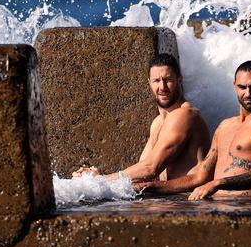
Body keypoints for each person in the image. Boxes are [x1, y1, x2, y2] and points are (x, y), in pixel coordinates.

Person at [136, 60, 251, 199]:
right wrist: (154, 187)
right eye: (242, 87)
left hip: (248, 208)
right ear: (235, 85)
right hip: (216, 207)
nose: (248, 94)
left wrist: (218, 183)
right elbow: (201, 176)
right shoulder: (225, 126)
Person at [73, 54, 210, 182]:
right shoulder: (158, 123)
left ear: (179, 80)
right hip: (171, 200)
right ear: (149, 82)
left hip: (190, 202)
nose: (162, 87)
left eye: (168, 80)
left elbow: (150, 169)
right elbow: (141, 170)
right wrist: (94, 175)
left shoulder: (184, 115)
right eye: (156, 81)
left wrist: (100, 180)